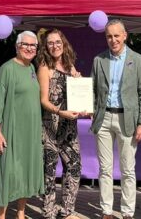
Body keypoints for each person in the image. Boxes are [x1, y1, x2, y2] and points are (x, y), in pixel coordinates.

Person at [90, 20, 141, 219]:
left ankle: (127, 212)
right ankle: (106, 211)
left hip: (128, 120)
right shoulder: (99, 60)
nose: (113, 40)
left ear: (125, 35)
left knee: (128, 169)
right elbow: (91, 89)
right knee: (105, 169)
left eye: (117, 35)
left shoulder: (138, 59)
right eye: (109, 36)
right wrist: (89, 109)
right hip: (104, 118)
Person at [0, 31, 44, 219]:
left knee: (25, 171)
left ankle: (21, 213)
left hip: (30, 132)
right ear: (17, 46)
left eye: (33, 46)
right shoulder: (7, 69)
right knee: (7, 172)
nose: (29, 48)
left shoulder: (31, 68)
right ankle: (1, 215)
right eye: (25, 45)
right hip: (11, 130)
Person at [37, 29, 84, 219]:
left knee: (74, 167)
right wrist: (59, 111)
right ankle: (48, 210)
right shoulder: (44, 67)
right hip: (50, 126)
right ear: (46, 47)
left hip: (69, 128)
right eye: (50, 43)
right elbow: (43, 100)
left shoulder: (70, 66)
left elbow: (76, 95)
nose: (55, 46)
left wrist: (80, 87)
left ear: (63, 44)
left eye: (58, 42)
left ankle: (66, 210)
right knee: (49, 170)